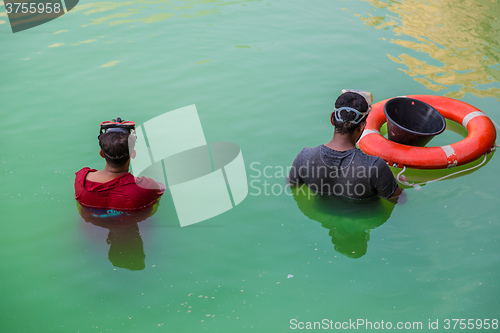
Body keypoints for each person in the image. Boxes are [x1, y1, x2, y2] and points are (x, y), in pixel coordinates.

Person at [288, 90, 403, 201]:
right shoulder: (375, 167)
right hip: (362, 218)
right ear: (363, 126)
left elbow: (291, 185)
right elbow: (399, 199)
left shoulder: (305, 157)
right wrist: (393, 180)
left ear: (332, 119)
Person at [75, 118, 164, 211]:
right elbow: (160, 189)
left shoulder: (81, 180)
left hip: (89, 225)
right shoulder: (146, 187)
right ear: (133, 154)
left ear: (101, 153)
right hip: (133, 224)